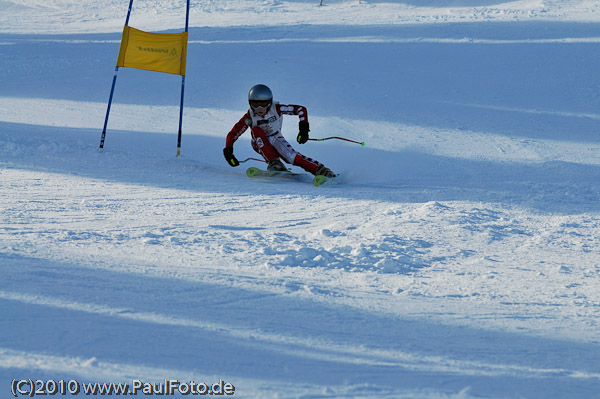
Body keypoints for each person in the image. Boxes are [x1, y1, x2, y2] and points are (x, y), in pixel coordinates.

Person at [223, 84, 336, 177]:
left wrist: (303, 129)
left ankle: (321, 170)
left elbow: (301, 109)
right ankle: (274, 162)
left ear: (270, 102)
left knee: (292, 156)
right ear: (250, 103)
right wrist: (229, 149)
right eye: (255, 104)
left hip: (275, 136)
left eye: (263, 104)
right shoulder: (249, 117)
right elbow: (234, 133)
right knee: (257, 130)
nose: (260, 108)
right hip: (258, 142)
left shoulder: (277, 109)